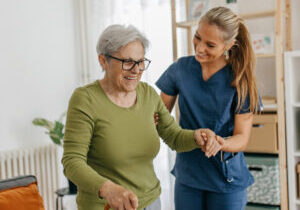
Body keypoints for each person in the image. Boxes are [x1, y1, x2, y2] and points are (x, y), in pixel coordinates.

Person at [62, 24, 221, 210]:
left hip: (151, 202)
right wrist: (107, 189)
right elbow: (72, 162)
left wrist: (197, 136)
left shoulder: (148, 94)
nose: (137, 70)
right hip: (106, 205)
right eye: (128, 62)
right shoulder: (85, 99)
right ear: (103, 61)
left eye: (141, 62)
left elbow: (174, 136)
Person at [156, 6, 261, 210]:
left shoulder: (240, 80)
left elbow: (241, 137)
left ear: (229, 45)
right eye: (197, 37)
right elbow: (158, 117)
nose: (199, 48)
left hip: (225, 179)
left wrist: (221, 143)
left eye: (210, 45)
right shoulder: (180, 70)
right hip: (188, 176)